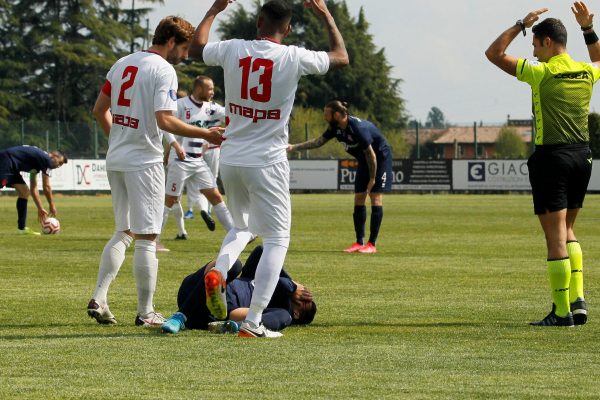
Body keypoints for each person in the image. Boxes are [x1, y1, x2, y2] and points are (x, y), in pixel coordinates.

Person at [188, 0, 347, 338]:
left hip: (231, 157)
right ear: (287, 28)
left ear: (258, 21)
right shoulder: (293, 55)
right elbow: (341, 57)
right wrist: (325, 15)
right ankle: (253, 320)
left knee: (241, 228)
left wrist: (215, 10)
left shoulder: (234, 49)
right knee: (276, 238)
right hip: (268, 159)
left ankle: (219, 271)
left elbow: (196, 47)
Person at [87, 16, 224, 327]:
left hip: (117, 158)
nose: (186, 55)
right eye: (185, 48)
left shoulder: (121, 63)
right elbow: (164, 120)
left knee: (124, 231)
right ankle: (146, 312)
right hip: (144, 162)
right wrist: (205, 134)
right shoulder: (163, 69)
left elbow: (99, 109)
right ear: (172, 41)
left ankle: (100, 297)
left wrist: (120, 140)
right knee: (148, 237)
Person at [485, 2, 600, 326]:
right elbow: (599, 58)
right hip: (583, 157)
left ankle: (562, 312)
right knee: (570, 230)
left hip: (552, 158)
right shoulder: (586, 71)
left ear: (547, 42)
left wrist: (521, 23)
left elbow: (493, 54)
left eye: (535, 44)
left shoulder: (542, 72)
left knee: (555, 239)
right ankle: (578, 300)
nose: (533, 52)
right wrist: (588, 28)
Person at [288, 101, 392, 254]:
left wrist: (372, 179)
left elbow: (372, 155)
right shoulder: (336, 128)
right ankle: (359, 242)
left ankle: (371, 244)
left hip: (380, 159)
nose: (324, 117)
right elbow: (318, 142)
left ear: (336, 115)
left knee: (375, 197)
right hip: (365, 160)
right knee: (359, 198)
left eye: (326, 114)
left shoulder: (358, 128)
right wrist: (293, 147)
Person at [161, 245, 316, 335]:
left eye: (306, 300)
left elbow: (282, 285)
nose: (305, 293)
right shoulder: (255, 278)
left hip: (214, 312)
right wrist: (294, 284)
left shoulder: (280, 311)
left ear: (297, 313)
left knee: (278, 316)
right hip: (194, 291)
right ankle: (182, 314)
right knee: (234, 265)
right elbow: (262, 250)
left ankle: (184, 317)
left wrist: (292, 287)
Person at [157, 75, 232, 252]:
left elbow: (230, 114)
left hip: (198, 161)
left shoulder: (211, 108)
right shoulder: (181, 105)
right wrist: (175, 145)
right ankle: (153, 240)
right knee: (170, 199)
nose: (212, 92)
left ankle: (235, 234)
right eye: (210, 88)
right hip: (180, 160)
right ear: (198, 89)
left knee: (215, 196)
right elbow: (165, 125)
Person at [0, 145, 67, 235]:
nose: (58, 166)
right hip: (6, 161)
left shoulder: (37, 164)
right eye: (60, 163)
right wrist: (52, 205)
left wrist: (40, 208)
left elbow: (33, 187)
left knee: (24, 192)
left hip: (12, 166)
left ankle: (21, 228)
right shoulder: (46, 160)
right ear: (54, 155)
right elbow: (46, 186)